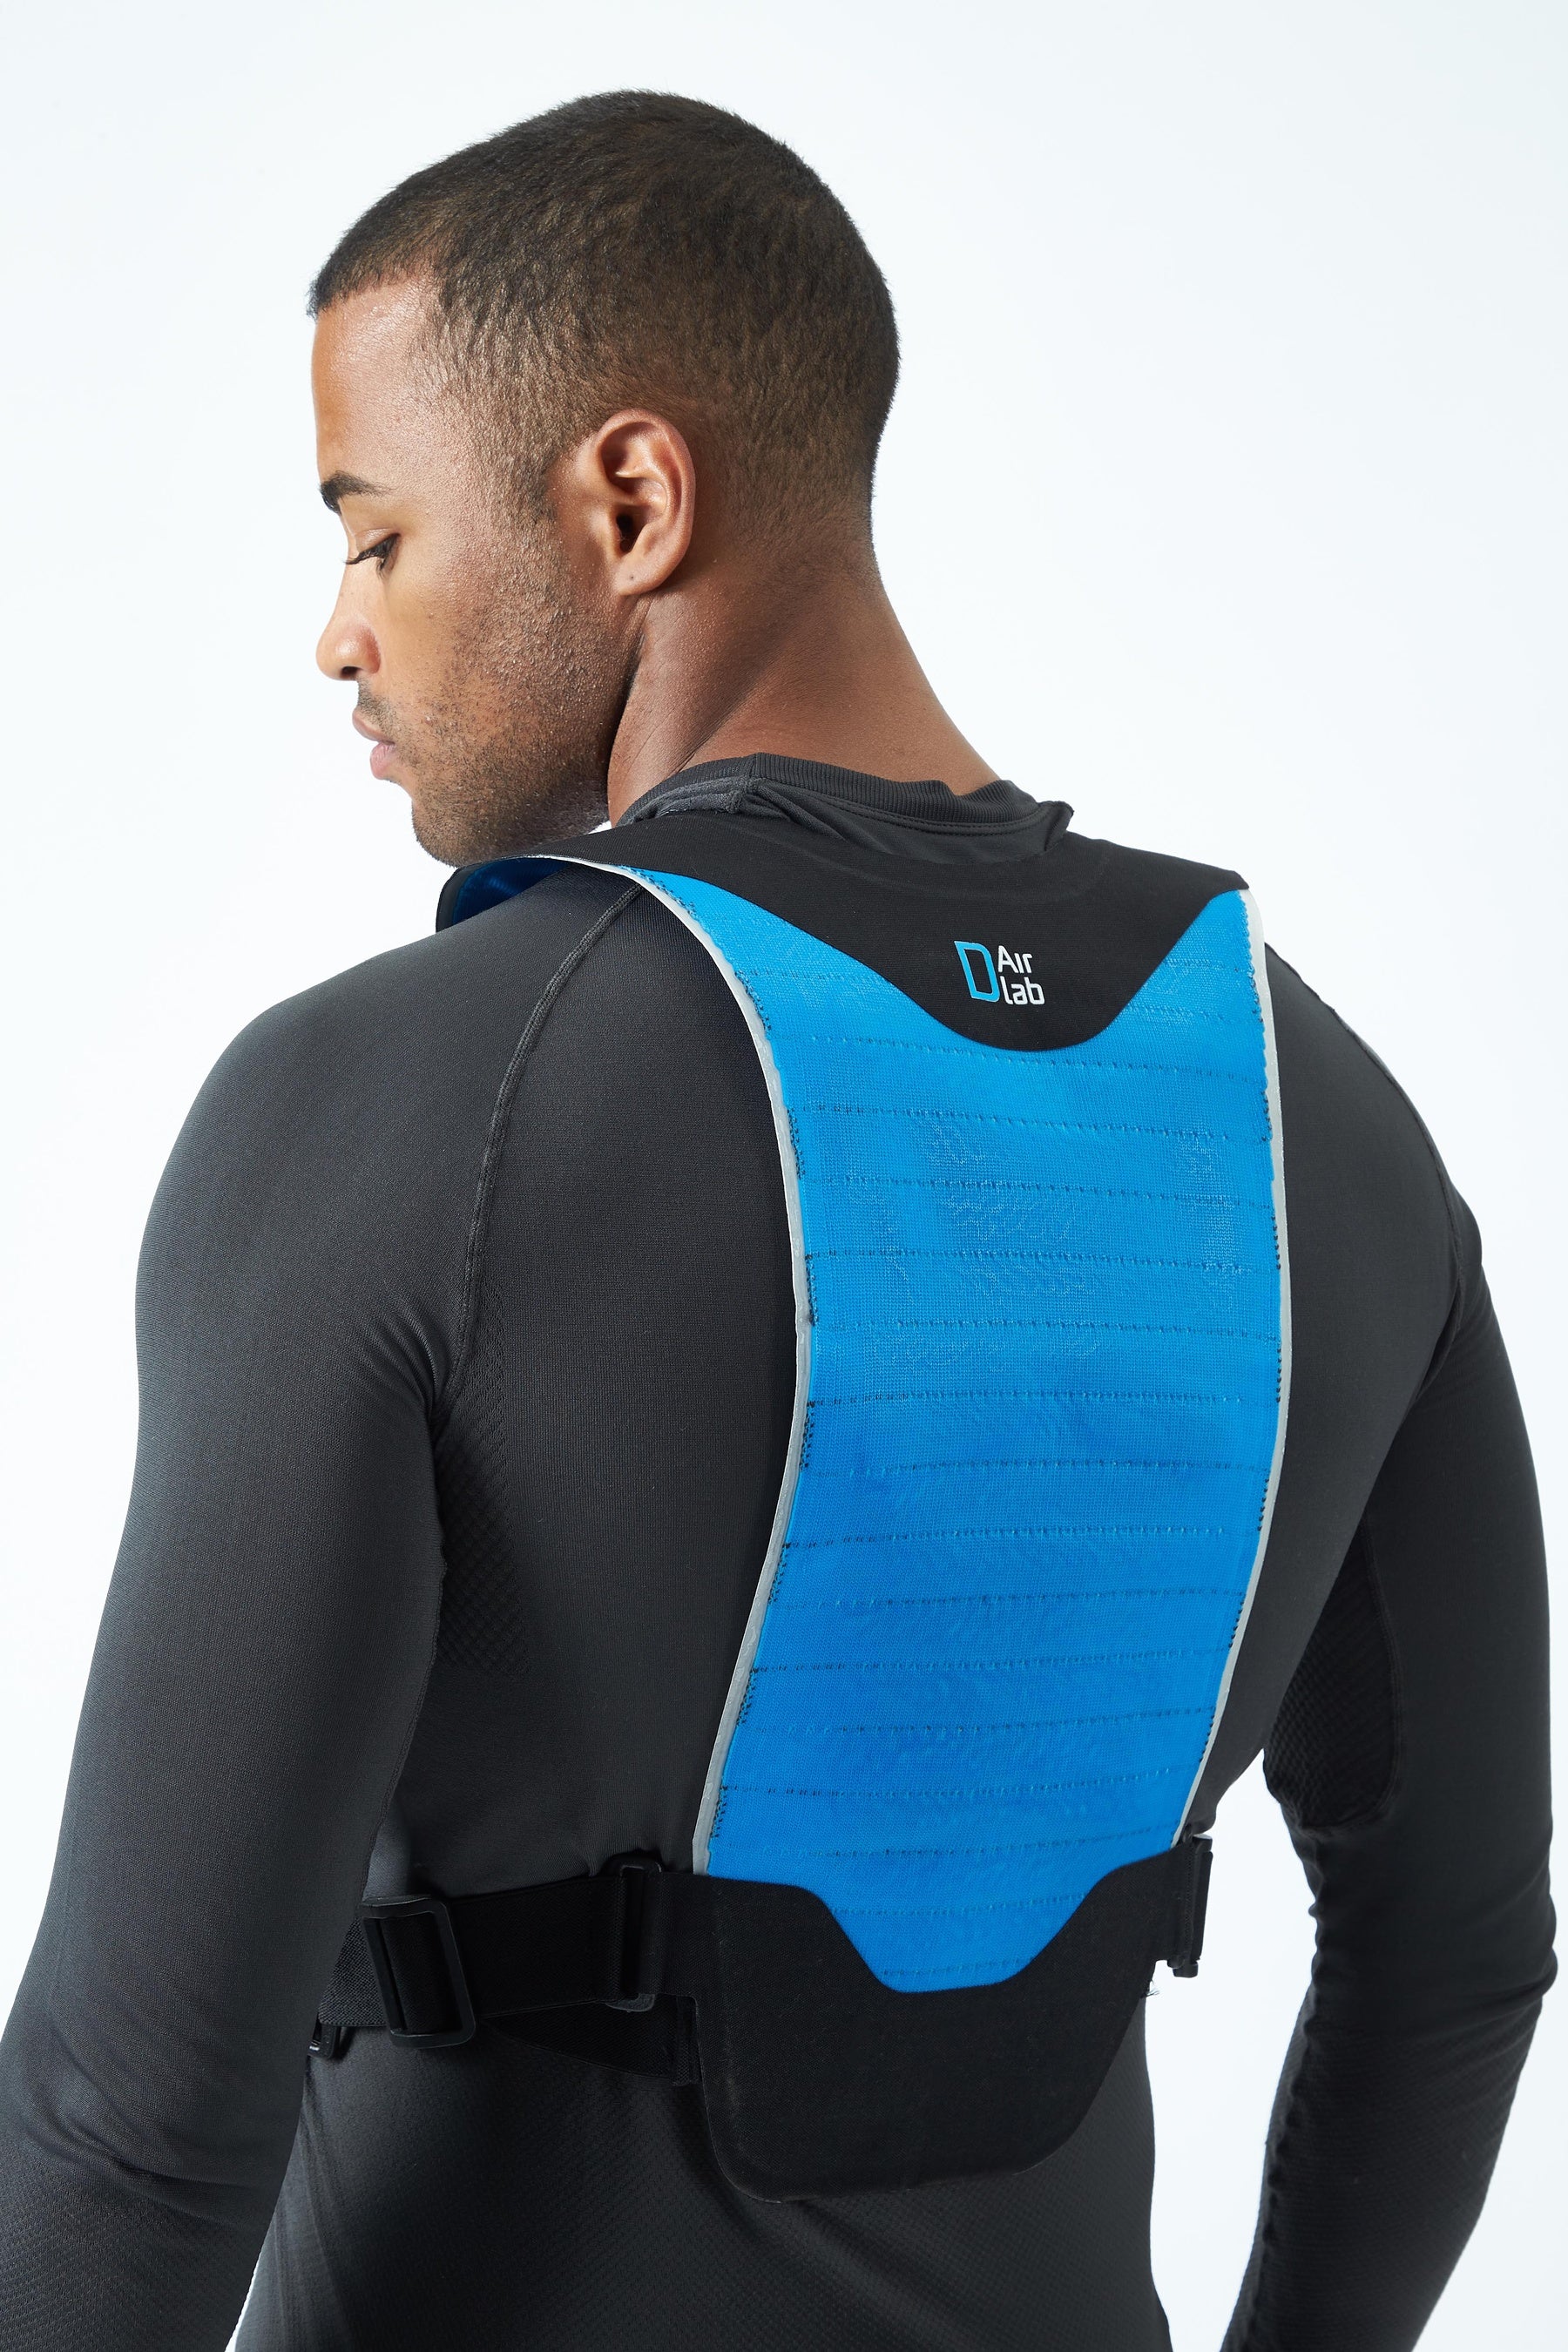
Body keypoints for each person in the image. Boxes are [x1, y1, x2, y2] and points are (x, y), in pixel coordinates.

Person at [0, 90, 1551, 2352]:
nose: (339, 636)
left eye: (376, 534)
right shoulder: (1319, 1107)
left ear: (628, 502)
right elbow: (1457, 1953)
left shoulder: (396, 1103)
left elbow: (128, 2127)